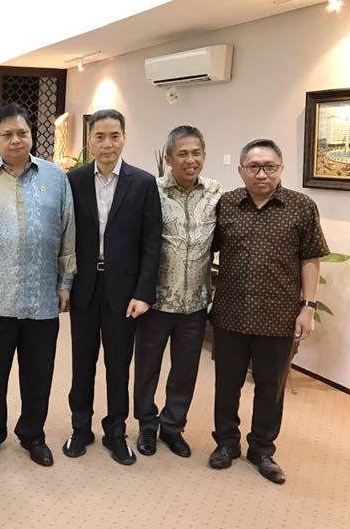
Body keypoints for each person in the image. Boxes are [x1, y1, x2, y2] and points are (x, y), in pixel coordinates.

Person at [0, 103, 76, 467]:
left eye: (22, 133)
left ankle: (33, 435)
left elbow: (68, 230)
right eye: (7, 134)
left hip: (42, 295)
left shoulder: (56, 177)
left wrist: (65, 281)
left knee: (39, 374)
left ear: (31, 136)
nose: (15, 140)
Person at [209, 138, 328, 484]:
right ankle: (226, 442)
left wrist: (308, 307)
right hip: (231, 312)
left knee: (270, 387)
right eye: (254, 167)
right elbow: (206, 249)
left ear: (281, 169)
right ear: (241, 171)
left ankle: (262, 449)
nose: (262, 174)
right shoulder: (227, 204)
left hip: (279, 316)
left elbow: (310, 258)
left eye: (269, 167)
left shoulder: (301, 206)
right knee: (226, 384)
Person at [64, 108, 162, 466]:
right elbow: (64, 234)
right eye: (100, 136)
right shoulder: (72, 181)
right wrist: (64, 283)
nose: (107, 144)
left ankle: (116, 431)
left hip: (124, 291)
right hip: (84, 286)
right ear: (89, 140)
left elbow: (152, 243)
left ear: (124, 138)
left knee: (118, 365)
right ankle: (80, 427)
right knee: (82, 362)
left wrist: (144, 293)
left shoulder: (143, 182)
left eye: (114, 136)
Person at [133, 126, 221, 458]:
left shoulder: (215, 193)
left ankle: (172, 426)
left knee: (185, 371)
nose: (190, 160)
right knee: (147, 369)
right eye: (182, 154)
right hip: (156, 300)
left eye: (196, 153)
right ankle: (146, 424)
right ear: (168, 159)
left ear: (204, 156)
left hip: (195, 302)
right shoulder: (151, 191)